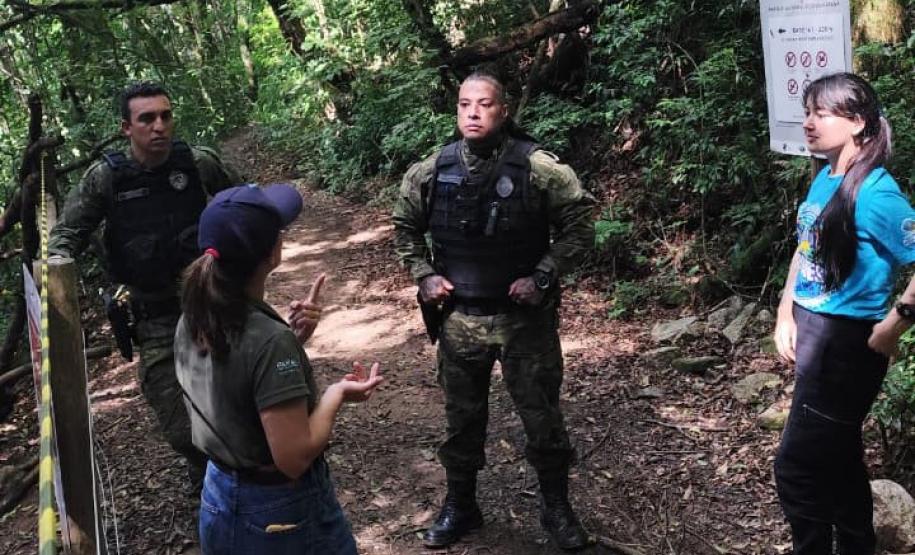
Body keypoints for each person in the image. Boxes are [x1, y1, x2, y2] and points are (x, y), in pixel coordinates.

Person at [392, 72, 595, 551]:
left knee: (542, 417)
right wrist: (423, 275)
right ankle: (461, 505)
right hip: (460, 319)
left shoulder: (539, 169)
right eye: (465, 105)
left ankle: (556, 507)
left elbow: (581, 224)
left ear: (503, 111)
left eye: (484, 104)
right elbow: (403, 226)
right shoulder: (431, 171)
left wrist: (543, 275)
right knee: (462, 420)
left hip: (524, 321)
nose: (473, 113)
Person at [47, 81, 242, 490]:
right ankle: (205, 468)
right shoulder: (106, 178)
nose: (159, 127)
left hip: (211, 302)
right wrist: (55, 269)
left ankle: (236, 481)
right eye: (147, 118)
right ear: (126, 127)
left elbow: (244, 201)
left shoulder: (198, 164)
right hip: (153, 317)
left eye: (166, 116)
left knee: (235, 396)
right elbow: (68, 233)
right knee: (175, 421)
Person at [175, 183, 383, 554]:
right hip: (276, 515)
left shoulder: (195, 316)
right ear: (271, 253)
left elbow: (235, 383)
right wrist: (336, 395)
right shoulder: (266, 340)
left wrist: (292, 340)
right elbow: (293, 457)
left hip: (219, 493)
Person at [773, 72, 915, 555]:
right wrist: (785, 312)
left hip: (849, 346)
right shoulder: (827, 174)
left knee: (797, 470)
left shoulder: (877, 193)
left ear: (857, 122)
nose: (808, 122)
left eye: (821, 112)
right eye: (807, 111)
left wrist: (894, 324)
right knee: (838, 458)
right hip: (815, 332)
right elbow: (805, 248)